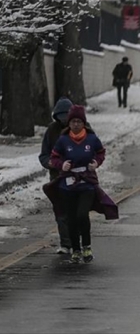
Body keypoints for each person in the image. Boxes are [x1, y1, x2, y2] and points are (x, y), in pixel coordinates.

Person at [47, 105, 117, 263]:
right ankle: (76, 249)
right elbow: (54, 157)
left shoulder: (91, 139)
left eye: (79, 121)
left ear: (83, 123)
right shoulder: (63, 140)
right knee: (71, 218)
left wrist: (96, 163)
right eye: (73, 122)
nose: (76, 124)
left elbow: (101, 152)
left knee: (81, 214)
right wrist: (62, 165)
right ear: (69, 124)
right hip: (68, 184)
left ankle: (86, 246)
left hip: (86, 182)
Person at [38, 97, 73, 254]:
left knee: (77, 211)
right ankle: (65, 243)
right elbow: (44, 155)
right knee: (60, 211)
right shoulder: (52, 130)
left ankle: (78, 242)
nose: (64, 119)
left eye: (67, 115)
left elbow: (94, 148)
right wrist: (49, 163)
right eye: (61, 116)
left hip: (78, 177)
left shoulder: (81, 127)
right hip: (57, 178)